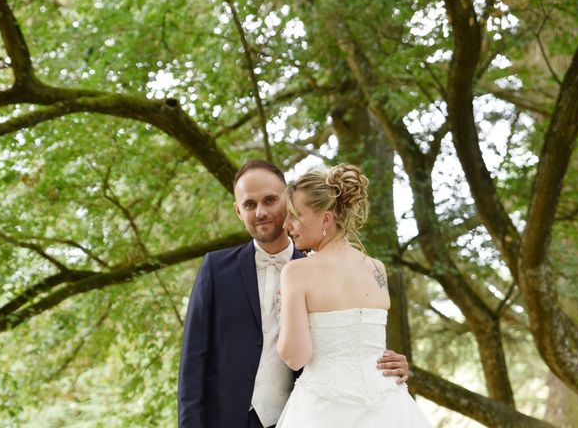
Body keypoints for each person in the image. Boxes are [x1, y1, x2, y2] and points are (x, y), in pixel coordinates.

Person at [178, 160, 410, 428]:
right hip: (226, 419)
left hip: (304, 415)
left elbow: (350, 332)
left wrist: (387, 363)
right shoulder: (215, 269)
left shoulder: (320, 269)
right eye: (249, 204)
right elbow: (193, 361)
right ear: (238, 212)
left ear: (286, 200)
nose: (261, 211)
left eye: (270, 200)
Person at [276, 164, 433, 428]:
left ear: (326, 219)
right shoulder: (376, 269)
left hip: (323, 410)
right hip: (389, 405)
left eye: (295, 215)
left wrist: (285, 311)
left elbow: (295, 356)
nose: (286, 224)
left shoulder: (296, 272)